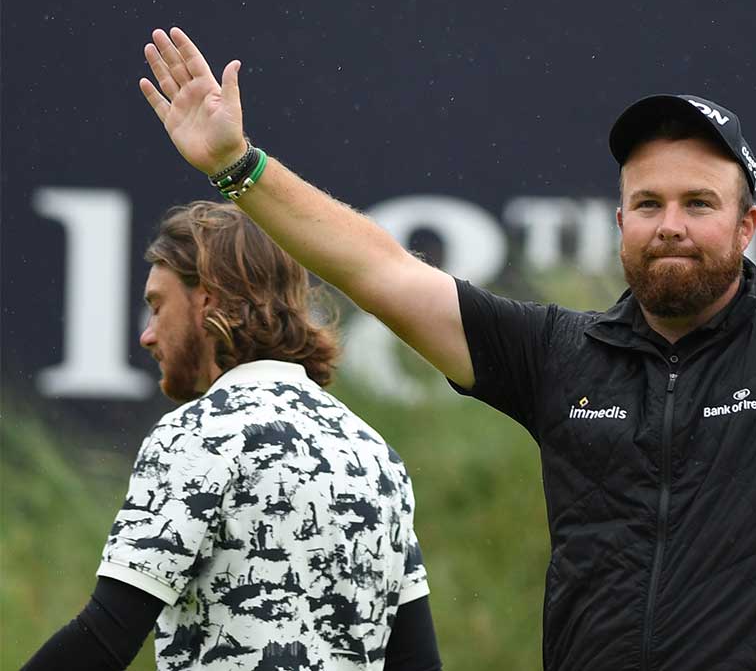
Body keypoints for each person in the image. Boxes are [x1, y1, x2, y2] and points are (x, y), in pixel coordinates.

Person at [133, 0, 756, 670]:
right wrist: (239, 167)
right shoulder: (559, 358)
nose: (671, 225)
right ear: (620, 222)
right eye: (647, 204)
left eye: (697, 201)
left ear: (747, 222)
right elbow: (382, 271)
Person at [22, 202, 442, 671]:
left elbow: (105, 636)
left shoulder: (199, 433)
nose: (147, 335)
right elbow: (417, 663)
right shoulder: (374, 454)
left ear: (207, 299)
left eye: (158, 306)